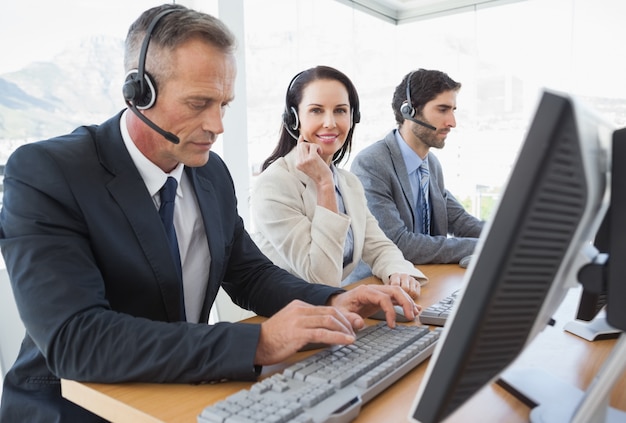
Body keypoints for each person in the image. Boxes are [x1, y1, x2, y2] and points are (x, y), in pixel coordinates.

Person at [0, 6, 419, 421]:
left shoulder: (209, 173)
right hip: (76, 408)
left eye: (224, 104)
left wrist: (332, 298)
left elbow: (249, 273)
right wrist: (256, 343)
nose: (218, 125)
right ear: (139, 93)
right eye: (199, 103)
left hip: (180, 394)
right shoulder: (48, 173)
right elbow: (77, 340)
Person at [250, 66, 426, 298]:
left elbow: (379, 246)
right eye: (316, 110)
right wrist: (324, 184)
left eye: (340, 110)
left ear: (353, 117)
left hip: (331, 310)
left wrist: (397, 272)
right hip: (285, 316)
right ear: (294, 119)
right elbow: (322, 279)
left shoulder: (348, 183)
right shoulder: (274, 185)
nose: (330, 122)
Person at [351, 68, 484, 265]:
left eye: (453, 111)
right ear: (409, 111)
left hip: (424, 280)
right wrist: (481, 247)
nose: (452, 122)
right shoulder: (372, 164)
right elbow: (398, 244)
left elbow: (460, 221)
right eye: (442, 110)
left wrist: (506, 237)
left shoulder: (431, 165)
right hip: (379, 286)